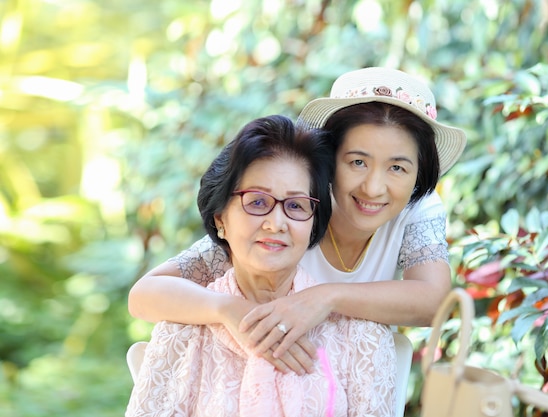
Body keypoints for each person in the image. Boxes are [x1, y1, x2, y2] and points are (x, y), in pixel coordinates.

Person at [128, 67, 467, 375]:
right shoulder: (293, 208)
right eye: (357, 162)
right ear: (329, 159)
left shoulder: (416, 208)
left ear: (418, 172)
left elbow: (434, 302)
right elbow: (145, 294)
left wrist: (323, 298)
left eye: (397, 167)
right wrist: (229, 309)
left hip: (354, 381)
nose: (374, 188)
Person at [125, 115, 396, 417]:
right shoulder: (182, 332)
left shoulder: (360, 338)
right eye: (256, 202)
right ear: (220, 220)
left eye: (295, 206)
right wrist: (230, 311)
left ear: (312, 225)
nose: (276, 223)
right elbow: (141, 295)